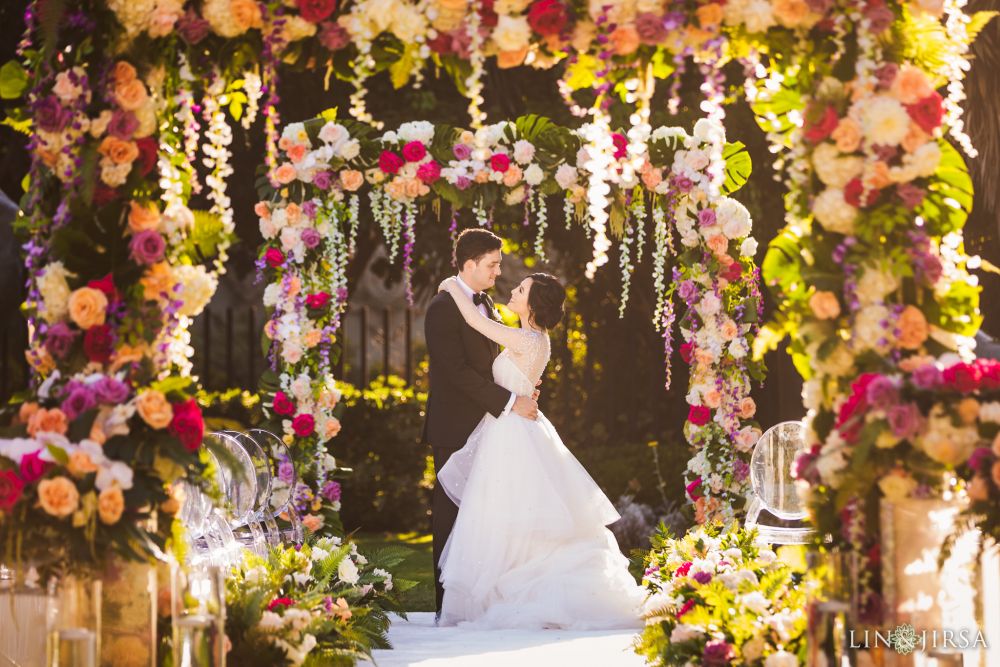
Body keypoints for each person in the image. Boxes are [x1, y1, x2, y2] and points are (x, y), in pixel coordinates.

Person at [434, 270, 646, 629]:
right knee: (514, 510)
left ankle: (519, 594)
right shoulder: (534, 339)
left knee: (509, 511)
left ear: (532, 305)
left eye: (521, 290)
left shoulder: (525, 339)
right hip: (514, 427)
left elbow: (472, 319)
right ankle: (508, 589)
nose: (513, 291)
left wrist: (451, 285)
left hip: (512, 435)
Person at [422, 228, 539, 619]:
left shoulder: (484, 304)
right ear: (469, 265)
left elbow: (492, 366)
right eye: (491, 264)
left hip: (489, 429)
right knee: (451, 515)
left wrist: (520, 387)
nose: (497, 271)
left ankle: (480, 603)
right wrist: (509, 400)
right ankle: (448, 608)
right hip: (455, 427)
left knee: (484, 516)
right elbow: (455, 372)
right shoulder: (442, 307)